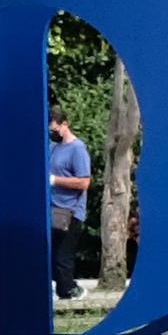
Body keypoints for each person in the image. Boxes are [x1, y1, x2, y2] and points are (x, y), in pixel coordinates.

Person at [44, 114, 98, 294]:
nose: (52, 133)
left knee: (62, 255)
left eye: (54, 129)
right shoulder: (53, 148)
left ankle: (70, 291)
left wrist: (54, 180)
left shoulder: (77, 149)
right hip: (52, 209)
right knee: (51, 255)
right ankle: (63, 289)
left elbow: (84, 182)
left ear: (64, 125)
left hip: (70, 210)